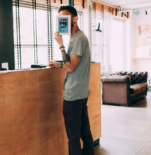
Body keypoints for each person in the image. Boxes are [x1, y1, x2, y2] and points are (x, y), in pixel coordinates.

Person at [48, 6, 94, 155]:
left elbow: (71, 68)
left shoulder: (78, 39)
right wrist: (59, 64)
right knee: (84, 133)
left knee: (73, 138)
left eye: (66, 19)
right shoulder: (76, 38)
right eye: (61, 19)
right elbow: (72, 65)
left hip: (73, 95)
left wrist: (60, 44)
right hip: (80, 93)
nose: (63, 22)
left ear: (75, 18)